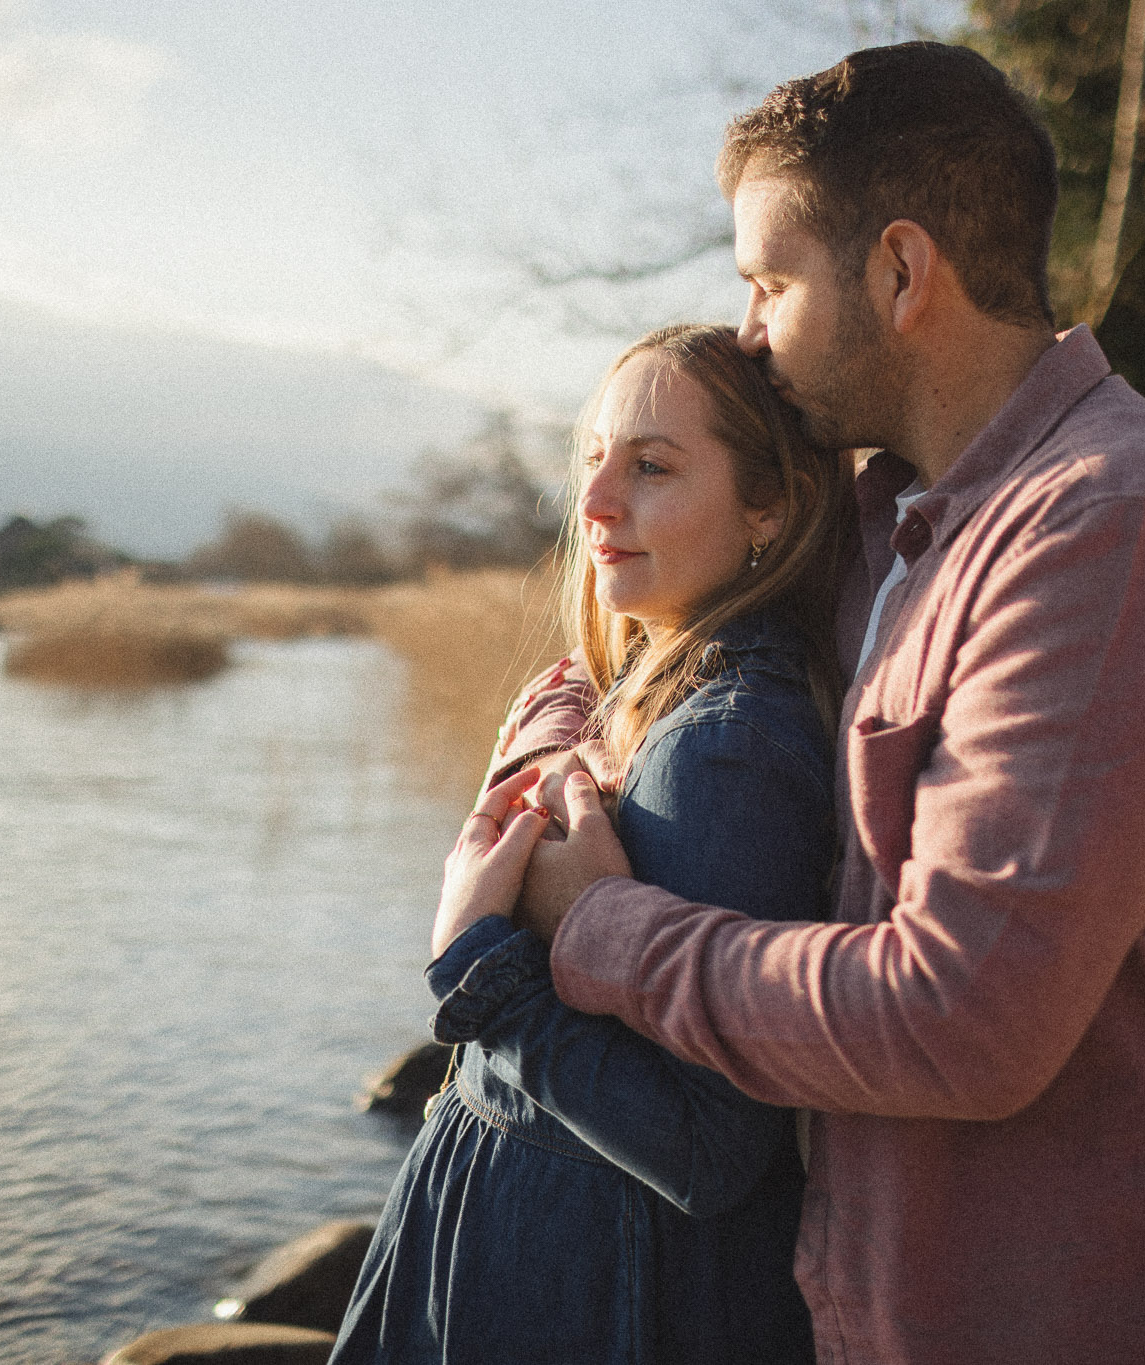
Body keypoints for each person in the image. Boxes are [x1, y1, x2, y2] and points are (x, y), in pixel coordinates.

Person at [500, 42, 1145, 1365]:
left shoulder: (1113, 527)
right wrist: (558, 748)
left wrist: (605, 927)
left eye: (770, 282)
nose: (748, 330)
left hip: (1124, 1318)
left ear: (902, 272)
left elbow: (963, 1019)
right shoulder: (890, 526)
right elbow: (673, 627)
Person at [327, 323, 851, 1365]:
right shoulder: (645, 695)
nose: (596, 503)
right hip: (534, 1251)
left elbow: (710, 1149)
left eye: (651, 468)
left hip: (590, 1291)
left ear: (771, 508)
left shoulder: (726, 748)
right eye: (592, 461)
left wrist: (481, 959)